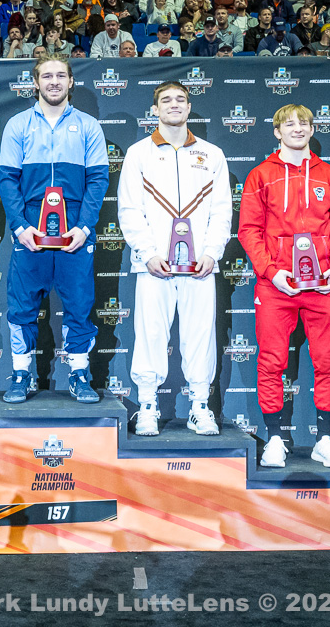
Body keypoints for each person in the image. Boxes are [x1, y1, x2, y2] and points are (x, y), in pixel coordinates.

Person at [239, 104, 330, 469]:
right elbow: (249, 231)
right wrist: (271, 272)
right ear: (277, 132)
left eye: (303, 123)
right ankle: (275, 437)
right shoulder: (260, 175)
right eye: (288, 124)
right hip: (276, 286)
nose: (297, 129)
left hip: (322, 286)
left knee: (328, 361)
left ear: (312, 128)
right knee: (272, 361)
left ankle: (324, 439)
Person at [117, 81, 232, 437]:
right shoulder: (139, 153)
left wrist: (212, 252)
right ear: (155, 109)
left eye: (180, 99)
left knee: (200, 336)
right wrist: (147, 253)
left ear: (189, 106)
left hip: (200, 267)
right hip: (154, 266)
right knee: (150, 334)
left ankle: (200, 406)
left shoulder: (212, 154)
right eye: (166, 100)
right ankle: (147, 405)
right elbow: (129, 209)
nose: (174, 105)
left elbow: (222, 210)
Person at [0, 55, 109, 403]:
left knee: (79, 304)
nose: (54, 82)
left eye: (61, 75)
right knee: (21, 306)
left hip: (75, 226)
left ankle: (79, 373)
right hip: (30, 224)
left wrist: (85, 227)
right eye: (47, 76)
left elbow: (97, 179)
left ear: (71, 82)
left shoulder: (89, 125)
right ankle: (20, 374)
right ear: (36, 83)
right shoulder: (18, 124)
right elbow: (7, 180)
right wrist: (19, 227)